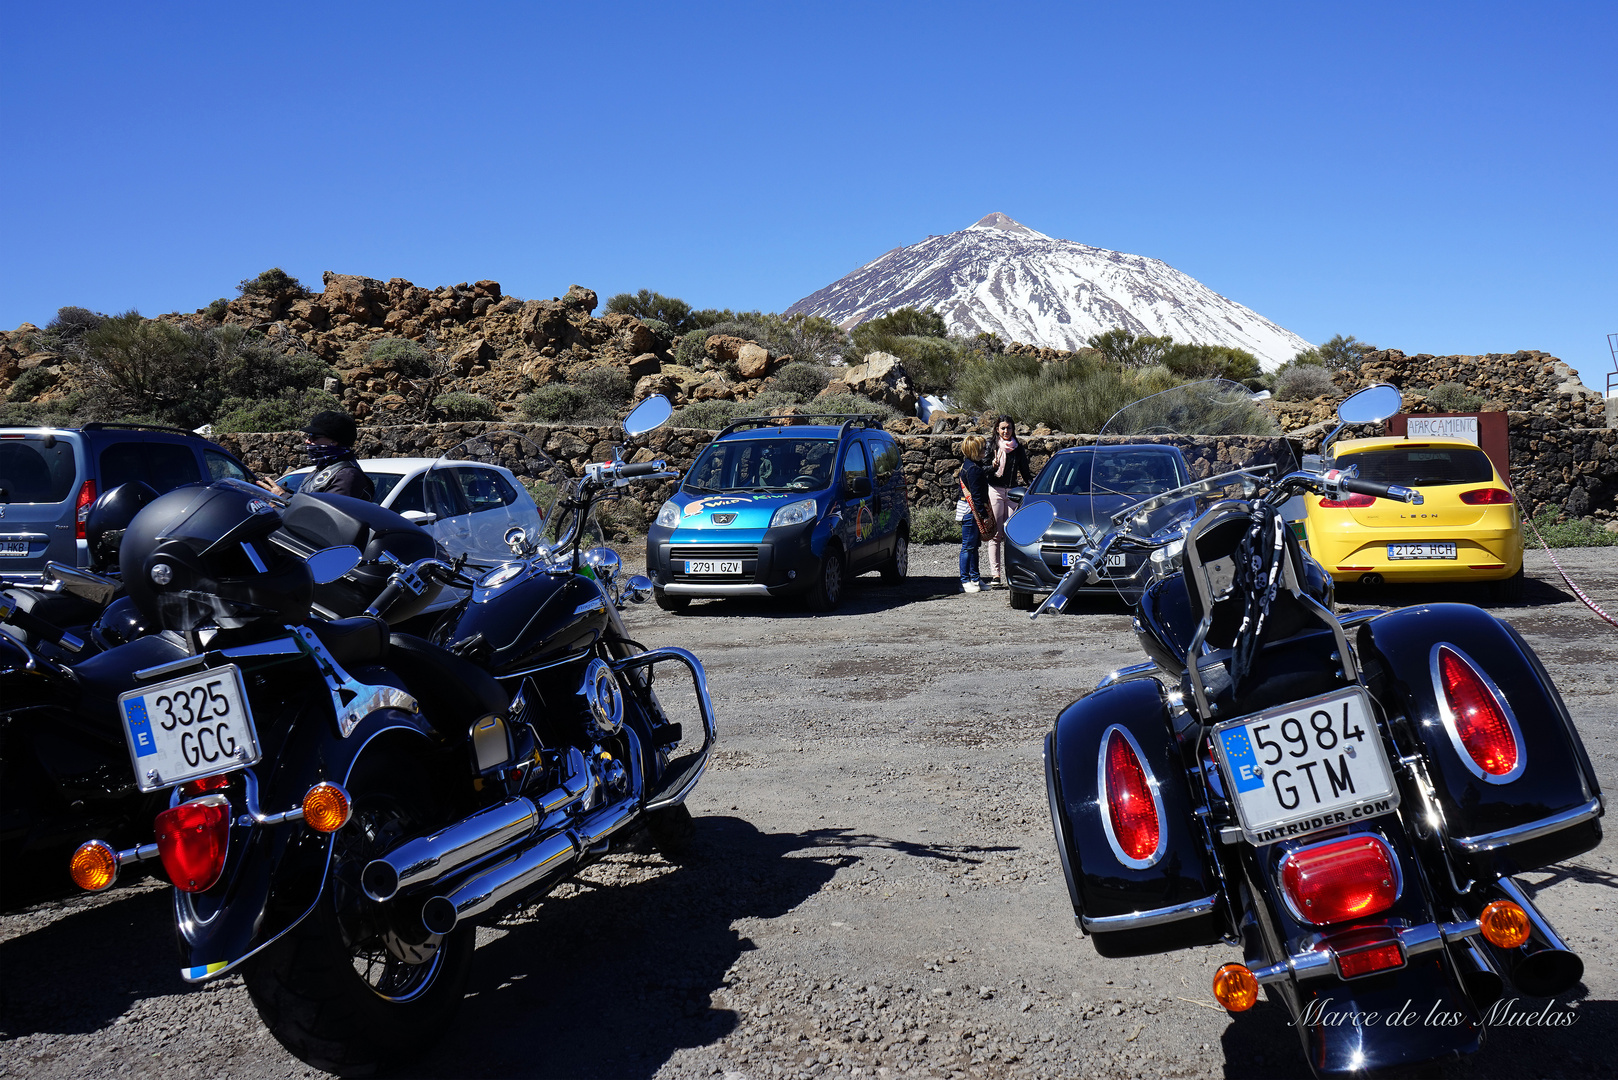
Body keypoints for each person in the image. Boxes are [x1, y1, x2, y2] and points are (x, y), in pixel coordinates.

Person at [258, 410, 374, 501]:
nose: (307, 441)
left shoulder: (347, 476)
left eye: (314, 437)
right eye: (308, 436)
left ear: (334, 441)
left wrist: (283, 497)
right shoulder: (323, 469)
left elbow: (325, 518)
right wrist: (288, 496)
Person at [983, 415, 1032, 588]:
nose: (1006, 431)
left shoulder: (1018, 449)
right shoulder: (991, 446)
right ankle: (995, 575)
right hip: (995, 490)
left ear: (1013, 430)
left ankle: (1013, 571)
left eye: (1009, 428)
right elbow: (983, 470)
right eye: (1003, 428)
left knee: (1012, 534)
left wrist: (1034, 487)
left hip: (1012, 491)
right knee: (995, 535)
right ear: (997, 429)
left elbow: (1025, 472)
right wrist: (993, 467)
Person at [956, 434, 997, 593]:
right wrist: (984, 516)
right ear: (975, 451)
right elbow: (977, 495)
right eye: (982, 448)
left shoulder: (969, 465)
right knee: (968, 547)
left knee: (973, 546)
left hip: (968, 510)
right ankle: (965, 580)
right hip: (971, 512)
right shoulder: (973, 469)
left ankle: (975, 578)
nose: (985, 451)